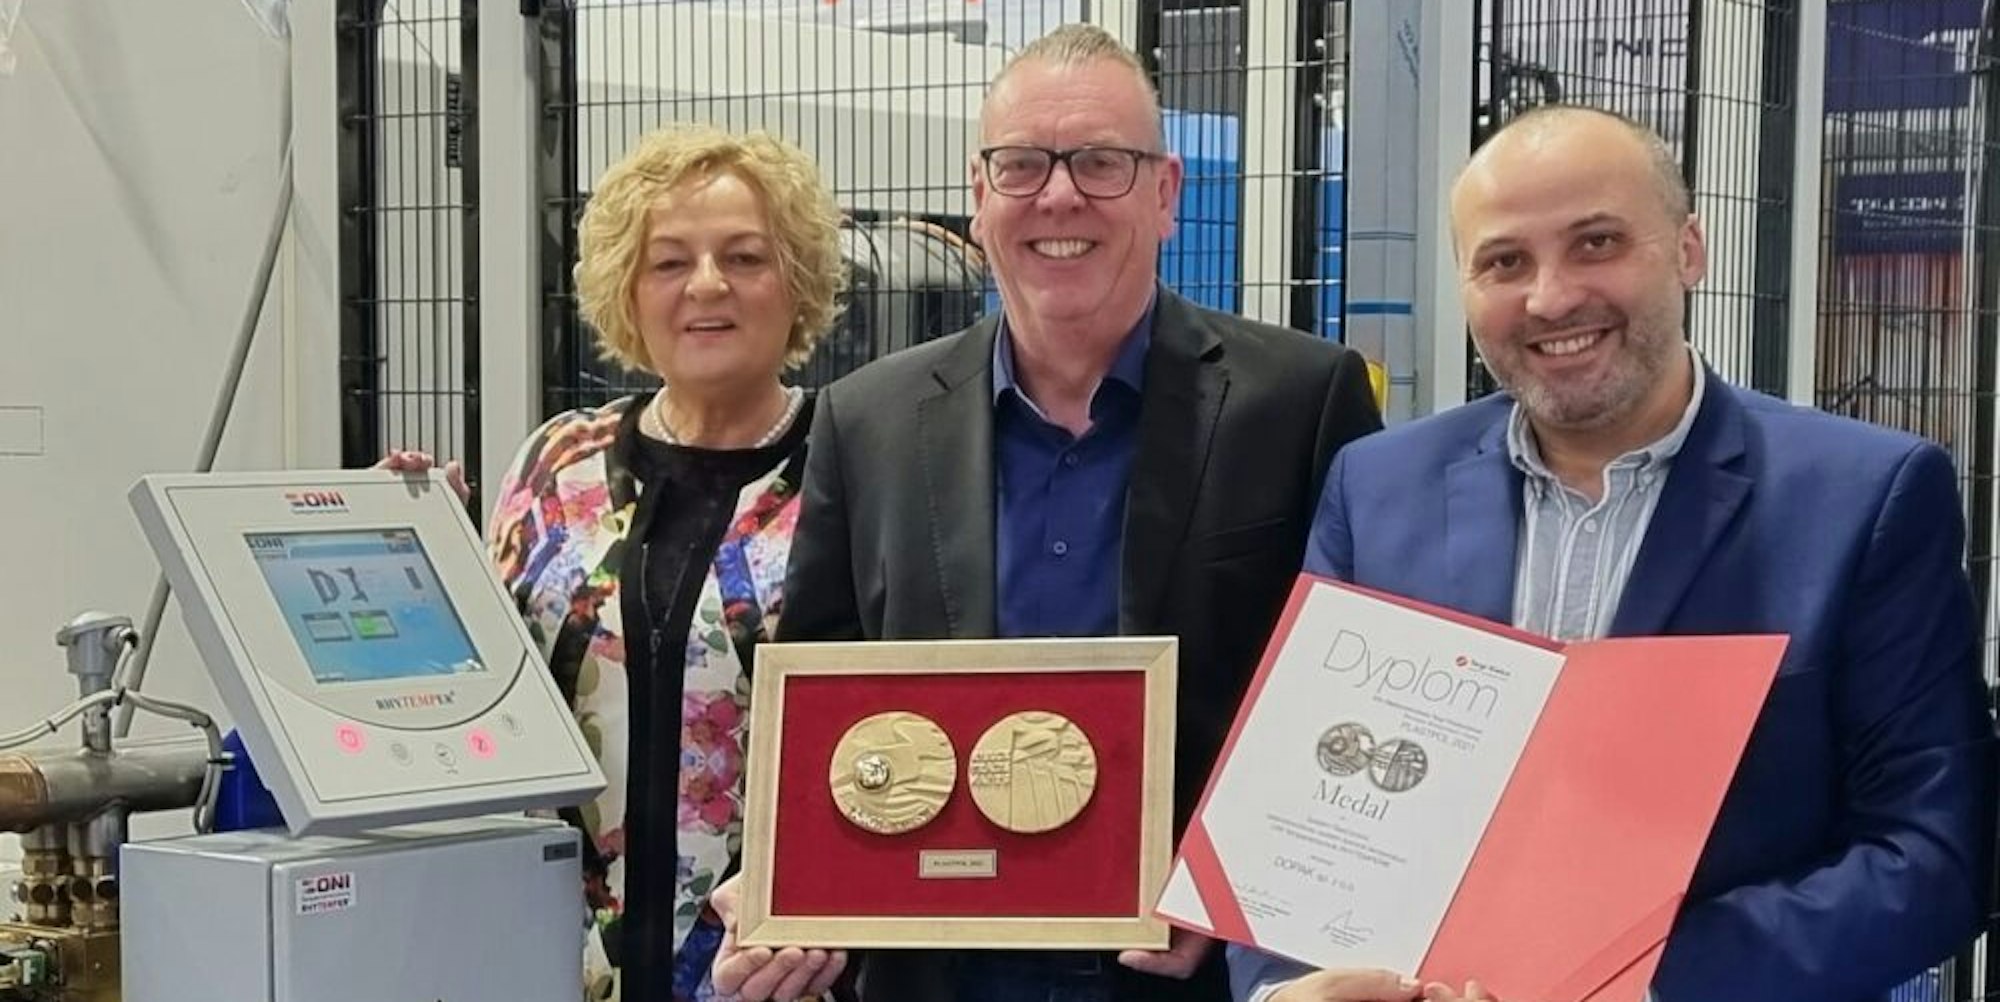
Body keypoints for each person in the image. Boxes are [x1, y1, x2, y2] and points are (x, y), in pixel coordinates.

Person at [1232, 104, 1998, 1002]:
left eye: (1596, 243)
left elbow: (1932, 854)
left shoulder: (1863, 499)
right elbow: (1292, 813)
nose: (1551, 298)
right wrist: (1281, 988)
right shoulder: (1376, 489)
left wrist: (1629, 982)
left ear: (1688, 250)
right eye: (1504, 261)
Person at [708, 22, 1392, 1002]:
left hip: (1184, 979)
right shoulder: (866, 420)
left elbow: (1349, 703)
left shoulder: (1300, 402)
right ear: (979, 193)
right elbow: (821, 696)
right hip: (938, 975)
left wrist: (1235, 888)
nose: (1059, 196)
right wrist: (784, 880)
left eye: (1101, 162)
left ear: (1165, 194)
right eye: (1022, 164)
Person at [384, 121, 847, 1002]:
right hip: (554, 960)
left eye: (744, 257)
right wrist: (408, 558)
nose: (706, 285)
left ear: (797, 280)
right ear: (627, 291)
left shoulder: (854, 465)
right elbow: (483, 690)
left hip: (774, 971)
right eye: (668, 261)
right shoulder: (560, 461)